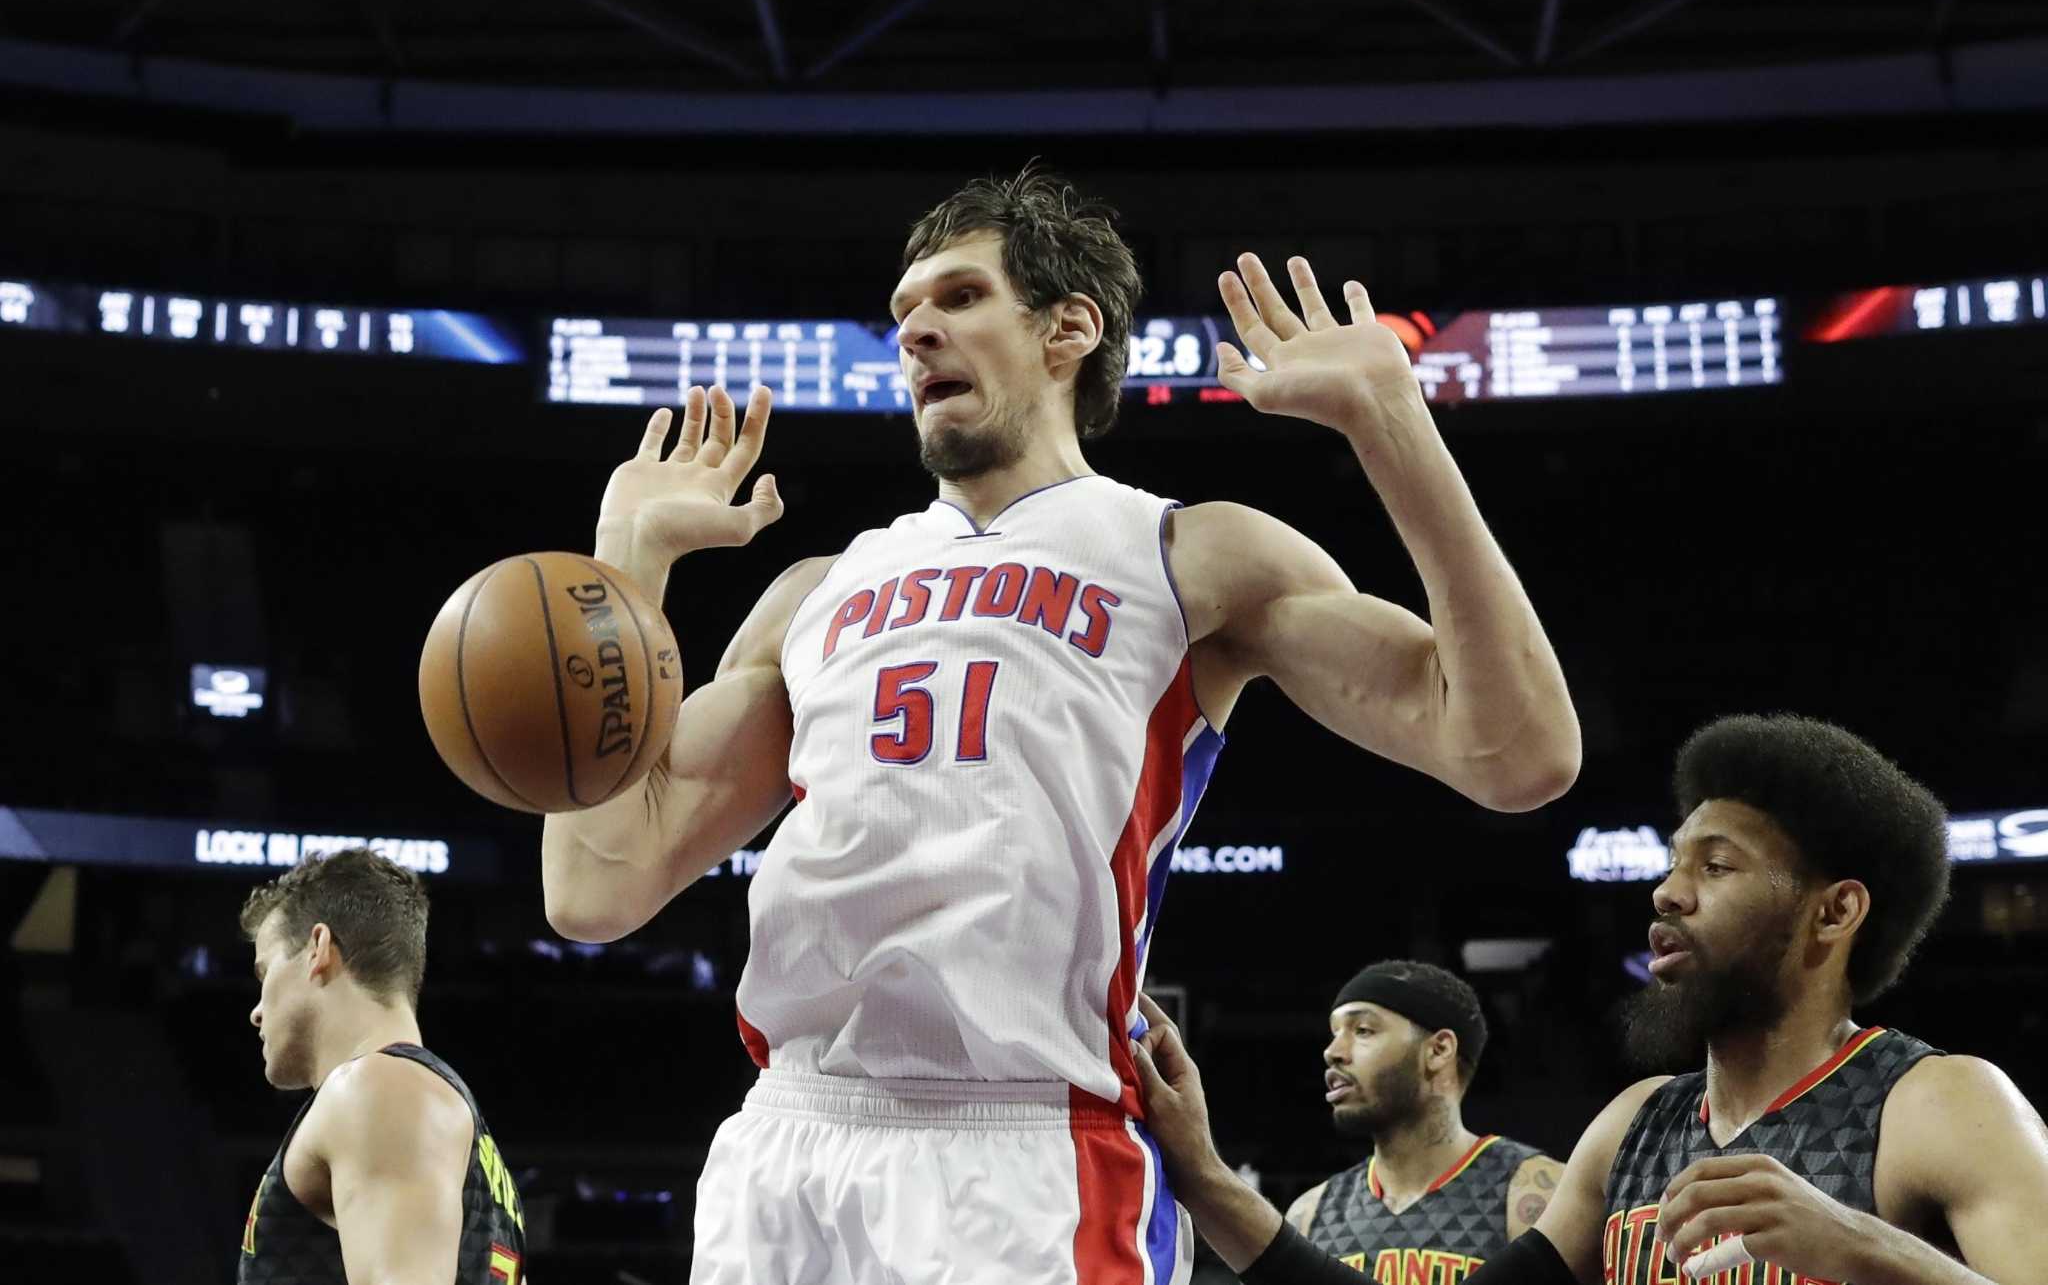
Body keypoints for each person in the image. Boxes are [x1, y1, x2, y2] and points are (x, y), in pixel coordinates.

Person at [539, 167, 1581, 1283]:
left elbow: (1516, 752)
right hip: (788, 1144)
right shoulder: (815, 590)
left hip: (1029, 1149)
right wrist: (625, 565)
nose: (915, 330)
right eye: (902, 314)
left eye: (956, 297)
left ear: (1067, 327)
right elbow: (596, 887)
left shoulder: (1192, 555)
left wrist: (1390, 424)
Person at [1134, 715, 2048, 1285]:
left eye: (1715, 867)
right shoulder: (1633, 1126)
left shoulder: (1942, 1102)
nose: (1666, 892)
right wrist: (1203, 1173)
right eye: (1672, 861)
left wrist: (1864, 1248)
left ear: (1835, 910)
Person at [239, 849, 527, 1285]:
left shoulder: (376, 1088)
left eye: (265, 974)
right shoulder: (443, 1121)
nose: (256, 1011)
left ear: (318, 948)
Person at [1284, 961, 1563, 1277]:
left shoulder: (1536, 1194)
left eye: (1362, 1030)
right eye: (1335, 1033)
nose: (1333, 1052)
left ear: (1439, 1050)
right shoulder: (1310, 1214)